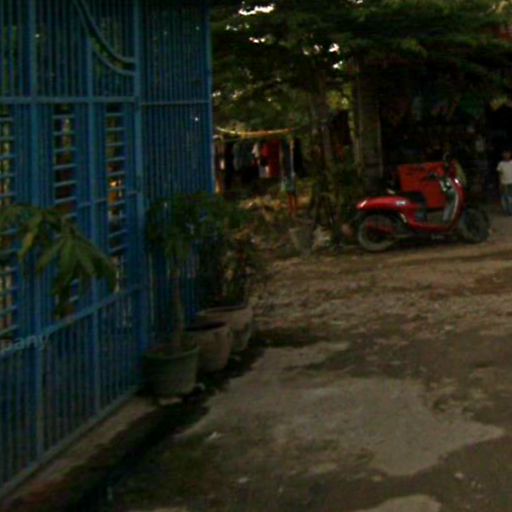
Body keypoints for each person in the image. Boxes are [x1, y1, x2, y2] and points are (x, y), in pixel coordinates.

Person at [497, 150, 512, 216]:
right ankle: (506, 211)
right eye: (505, 153)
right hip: (504, 183)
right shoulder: (501, 164)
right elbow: (499, 174)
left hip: (511, 183)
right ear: (502, 155)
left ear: (510, 154)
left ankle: (510, 211)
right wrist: (500, 183)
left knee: (510, 198)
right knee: (504, 197)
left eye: (507, 153)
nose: (506, 155)